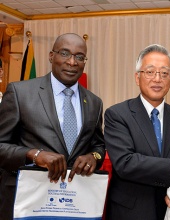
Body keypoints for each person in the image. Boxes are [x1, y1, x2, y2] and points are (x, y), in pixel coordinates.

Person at [0, 33, 105, 219]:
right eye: (65, 53)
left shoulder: (94, 102)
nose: (72, 62)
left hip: (73, 204)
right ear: (51, 56)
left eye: (79, 57)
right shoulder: (20, 93)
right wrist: (35, 155)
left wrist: (93, 157)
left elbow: (98, 146)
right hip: (28, 202)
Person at [104, 44, 170, 220]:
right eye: (150, 72)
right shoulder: (117, 115)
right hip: (129, 212)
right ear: (137, 77)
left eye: (164, 73)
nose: (157, 79)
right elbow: (126, 163)